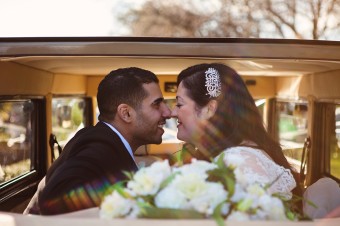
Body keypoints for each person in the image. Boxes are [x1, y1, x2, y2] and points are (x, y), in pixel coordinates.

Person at [26, 67, 171, 215]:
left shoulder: (102, 140)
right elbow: (54, 200)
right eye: (157, 104)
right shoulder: (99, 149)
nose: (168, 112)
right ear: (126, 113)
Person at [171, 63, 302, 209]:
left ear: (209, 109)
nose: (172, 113)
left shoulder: (238, 161)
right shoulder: (232, 155)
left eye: (179, 104)